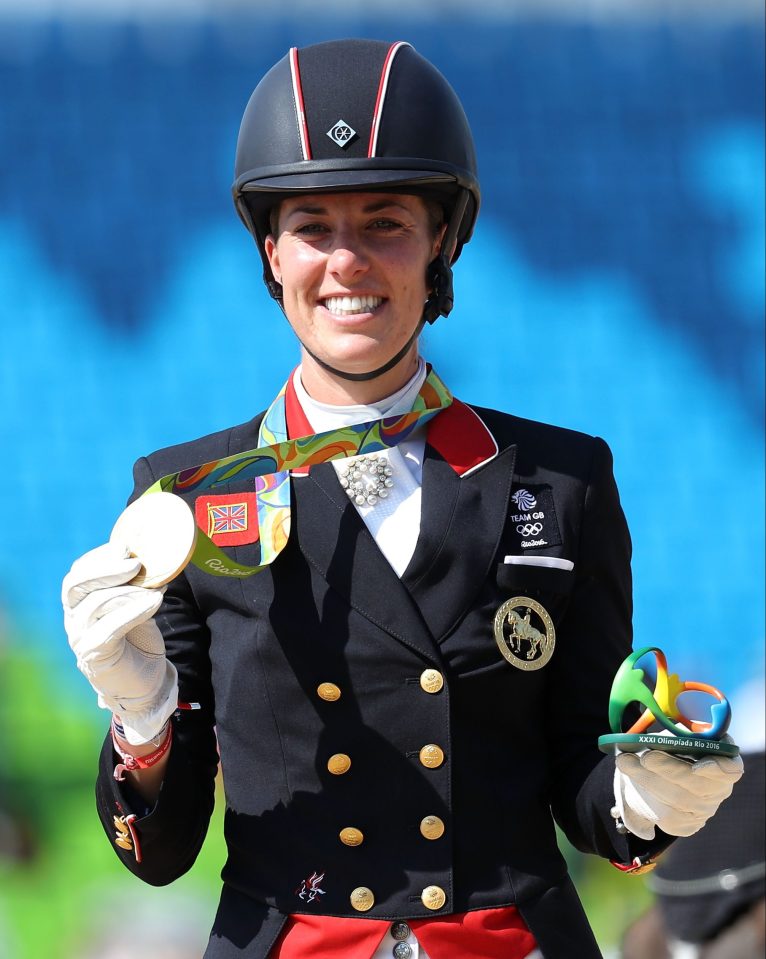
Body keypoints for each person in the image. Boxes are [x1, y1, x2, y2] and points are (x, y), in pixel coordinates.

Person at [61, 39, 743, 959]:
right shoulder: (184, 497)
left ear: (441, 244)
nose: (347, 261)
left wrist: (647, 794)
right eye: (312, 226)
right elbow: (163, 848)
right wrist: (142, 722)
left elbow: (590, 800)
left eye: (385, 223)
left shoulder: (562, 480)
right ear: (271, 249)